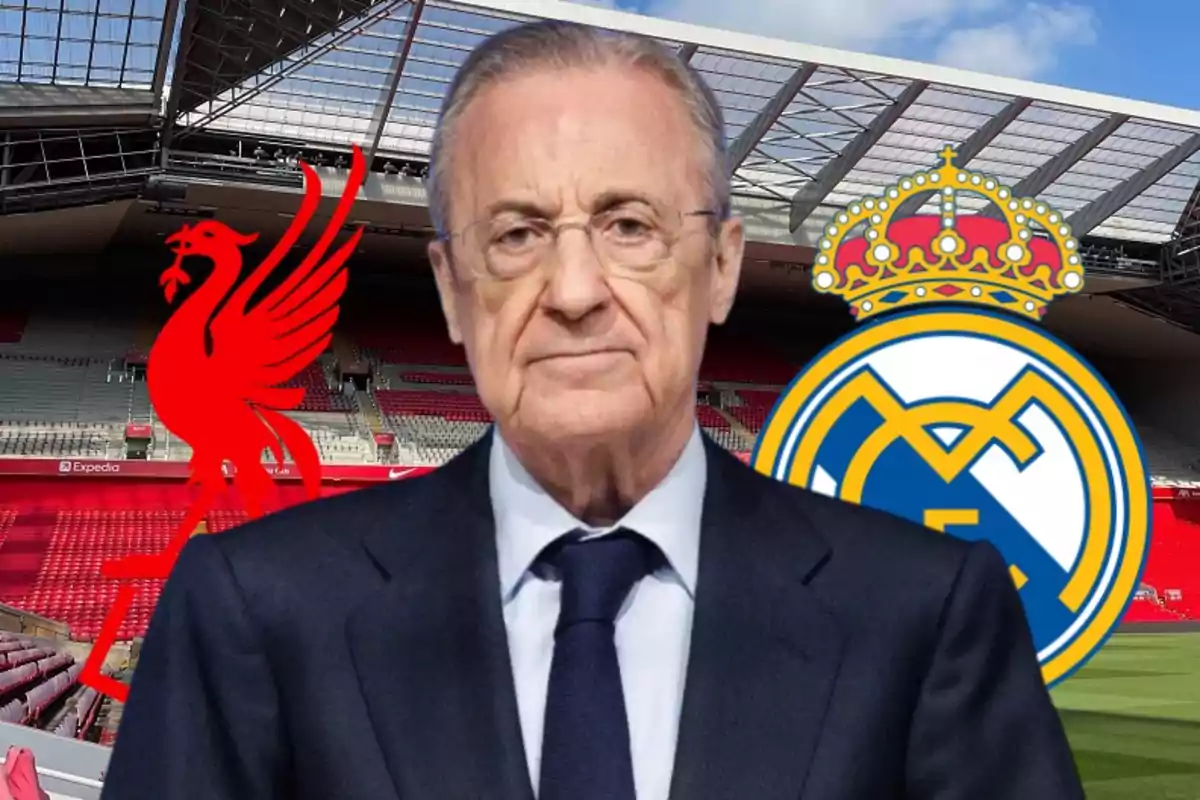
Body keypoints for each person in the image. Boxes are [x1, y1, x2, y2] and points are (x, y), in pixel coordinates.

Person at [100, 20, 1085, 800]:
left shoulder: (925, 609)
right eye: (518, 232)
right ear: (451, 287)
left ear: (722, 266)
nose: (574, 289)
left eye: (629, 224)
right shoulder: (253, 606)